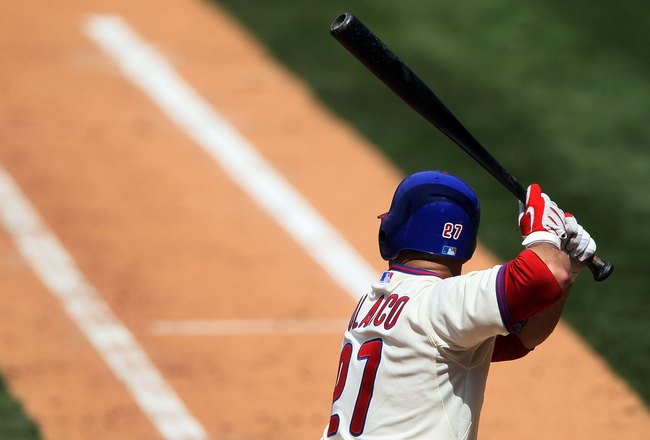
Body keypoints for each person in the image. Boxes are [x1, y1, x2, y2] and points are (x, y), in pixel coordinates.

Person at [321, 170, 596, 440]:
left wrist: (569, 264)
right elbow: (547, 271)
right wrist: (543, 233)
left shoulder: (375, 299)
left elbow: (518, 339)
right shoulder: (441, 303)